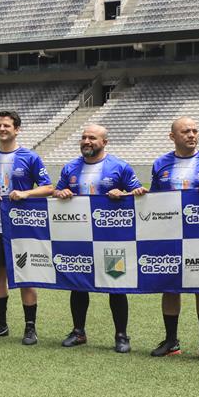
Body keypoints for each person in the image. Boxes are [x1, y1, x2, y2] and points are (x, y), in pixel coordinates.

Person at [53, 125, 146, 353]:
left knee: (116, 284)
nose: (86, 141)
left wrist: (122, 194)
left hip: (111, 239)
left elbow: (140, 194)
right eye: (83, 137)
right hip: (79, 239)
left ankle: (122, 336)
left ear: (104, 142)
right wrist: (61, 193)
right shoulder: (70, 167)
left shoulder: (120, 167)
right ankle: (78, 332)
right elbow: (55, 192)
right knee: (78, 284)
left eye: (92, 138)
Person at [0, 111, 53, 345]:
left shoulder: (29, 157)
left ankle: (30, 328)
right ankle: (1, 324)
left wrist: (25, 193)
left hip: (22, 229)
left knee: (25, 277)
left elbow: (48, 187)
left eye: (6, 125)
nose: (2, 129)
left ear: (17, 129)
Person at [149, 116, 199, 363]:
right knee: (170, 286)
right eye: (185, 131)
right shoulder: (160, 163)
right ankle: (171, 341)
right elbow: (153, 199)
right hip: (169, 235)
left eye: (194, 131)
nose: (192, 135)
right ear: (173, 136)